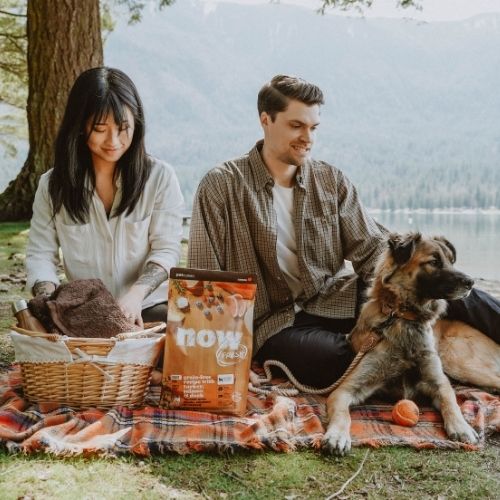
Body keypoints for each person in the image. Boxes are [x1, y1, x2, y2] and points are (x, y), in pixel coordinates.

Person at [188, 74, 500, 388]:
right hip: (274, 321)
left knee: (459, 291)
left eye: (313, 128)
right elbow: (203, 281)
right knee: (333, 360)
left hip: (334, 297)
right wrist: (221, 357)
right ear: (266, 120)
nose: (307, 138)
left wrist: (403, 284)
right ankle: (402, 364)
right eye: (296, 126)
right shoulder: (221, 185)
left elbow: (372, 249)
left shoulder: (330, 180)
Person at [26, 67, 184, 328]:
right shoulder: (53, 185)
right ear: (80, 126)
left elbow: (166, 249)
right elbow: (40, 254)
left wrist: (134, 296)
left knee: (183, 337)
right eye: (100, 128)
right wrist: (48, 301)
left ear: (137, 124)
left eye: (124, 128)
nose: (114, 140)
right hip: (83, 312)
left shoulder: (160, 178)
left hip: (148, 307)